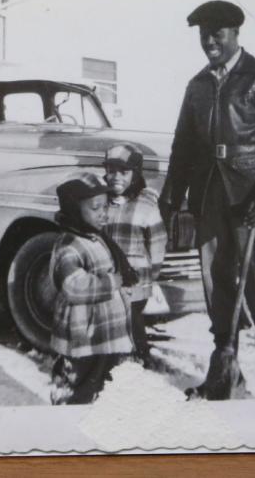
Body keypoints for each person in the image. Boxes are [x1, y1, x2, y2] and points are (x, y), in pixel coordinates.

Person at [159, 0, 255, 400]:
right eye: (204, 36)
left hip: (251, 196)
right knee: (216, 280)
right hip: (209, 195)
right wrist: (172, 196)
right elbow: (182, 145)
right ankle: (225, 367)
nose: (209, 43)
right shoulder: (198, 85)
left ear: (236, 34)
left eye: (216, 35)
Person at [49, 173, 137, 405]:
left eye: (106, 206)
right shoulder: (69, 245)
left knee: (102, 386)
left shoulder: (96, 237)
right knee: (77, 388)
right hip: (82, 338)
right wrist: (111, 283)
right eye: (95, 208)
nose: (103, 213)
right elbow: (72, 286)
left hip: (104, 333)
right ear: (75, 210)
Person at [102, 143, 167, 365]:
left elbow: (158, 240)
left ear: (135, 174)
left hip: (137, 277)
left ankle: (140, 356)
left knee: (131, 318)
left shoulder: (146, 204)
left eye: (123, 172)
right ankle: (111, 358)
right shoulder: (101, 202)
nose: (116, 177)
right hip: (110, 276)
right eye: (111, 171)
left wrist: (153, 271)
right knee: (111, 318)